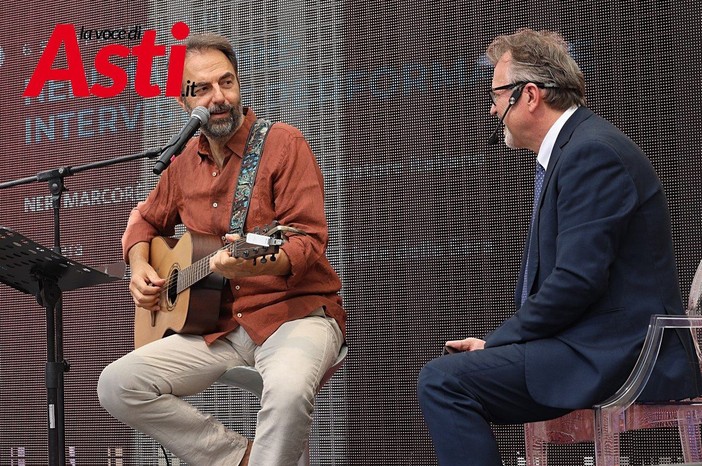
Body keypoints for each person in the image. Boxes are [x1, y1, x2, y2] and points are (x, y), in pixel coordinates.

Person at [417, 28, 701, 465]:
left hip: (618, 354)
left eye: (495, 95)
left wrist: (497, 344)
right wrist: (502, 345)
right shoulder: (578, 149)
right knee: (448, 378)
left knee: (444, 381)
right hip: (589, 346)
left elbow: (576, 281)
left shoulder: (592, 154)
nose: (492, 110)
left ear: (529, 95)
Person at [97, 32, 345, 466]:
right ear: (182, 100)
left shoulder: (282, 144)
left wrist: (250, 267)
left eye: (227, 83)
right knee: (118, 383)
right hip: (219, 326)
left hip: (294, 313)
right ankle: (239, 457)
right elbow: (144, 221)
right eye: (204, 89)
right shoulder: (181, 165)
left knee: (286, 394)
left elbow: (306, 240)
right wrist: (139, 264)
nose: (220, 97)